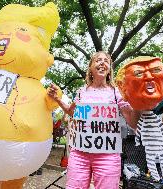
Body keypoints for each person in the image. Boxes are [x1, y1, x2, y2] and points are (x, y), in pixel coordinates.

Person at [48, 51, 141, 189]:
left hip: (108, 156)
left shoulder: (117, 93)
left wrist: (139, 101)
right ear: (90, 67)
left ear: (109, 69)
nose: (102, 62)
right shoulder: (82, 91)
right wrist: (57, 99)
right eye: (98, 60)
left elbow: (133, 123)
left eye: (106, 61)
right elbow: (72, 112)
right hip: (79, 155)